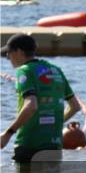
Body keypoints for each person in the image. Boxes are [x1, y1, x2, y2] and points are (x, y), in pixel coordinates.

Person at [0, 33, 81, 163]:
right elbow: (75, 107)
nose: (7, 56)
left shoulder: (24, 71)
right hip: (53, 145)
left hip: (30, 144)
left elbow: (31, 105)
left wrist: (8, 133)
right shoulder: (56, 70)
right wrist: (54, 122)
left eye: (9, 52)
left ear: (19, 51)